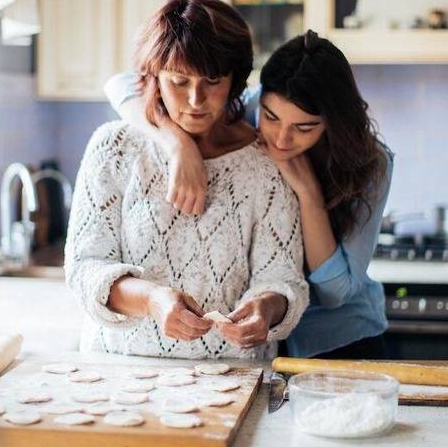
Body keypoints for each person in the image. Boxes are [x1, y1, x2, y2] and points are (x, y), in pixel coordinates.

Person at [105, 30, 393, 360]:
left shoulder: (371, 163)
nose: (282, 139)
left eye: (304, 128)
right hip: (256, 345)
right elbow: (122, 85)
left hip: (337, 340)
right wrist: (177, 145)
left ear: (332, 123)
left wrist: (308, 194)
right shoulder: (243, 110)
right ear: (260, 98)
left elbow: (335, 293)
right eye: (271, 117)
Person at [65, 0, 309, 360]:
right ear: (154, 78)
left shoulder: (265, 163)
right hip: (119, 373)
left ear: (235, 81)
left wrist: (266, 308)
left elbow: (284, 277)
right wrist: (151, 300)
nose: (196, 100)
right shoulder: (114, 148)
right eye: (179, 81)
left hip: (233, 375)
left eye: (212, 80)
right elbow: (85, 267)